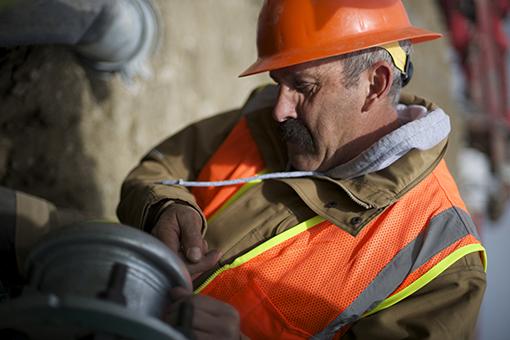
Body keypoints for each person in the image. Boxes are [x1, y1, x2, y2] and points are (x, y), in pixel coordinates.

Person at [117, 0, 487, 338]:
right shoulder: (267, 118)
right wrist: (163, 207)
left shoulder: (439, 255)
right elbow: (158, 171)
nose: (280, 109)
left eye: (303, 86)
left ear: (375, 83)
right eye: (278, 81)